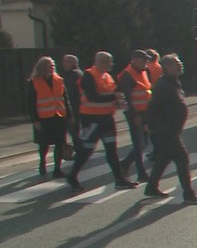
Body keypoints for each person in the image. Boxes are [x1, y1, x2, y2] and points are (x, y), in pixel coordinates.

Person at [67, 51, 138, 192]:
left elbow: (112, 94)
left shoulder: (107, 76)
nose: (111, 64)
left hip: (106, 118)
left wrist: (118, 100)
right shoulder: (89, 75)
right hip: (91, 119)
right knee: (86, 150)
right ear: (101, 62)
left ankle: (120, 179)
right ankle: (72, 175)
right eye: (109, 62)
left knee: (111, 149)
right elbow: (93, 96)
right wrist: (114, 97)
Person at [143, 54, 197, 204]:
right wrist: (150, 125)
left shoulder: (173, 83)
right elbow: (153, 106)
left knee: (164, 157)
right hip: (167, 130)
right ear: (167, 67)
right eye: (176, 63)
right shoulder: (162, 85)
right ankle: (188, 194)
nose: (180, 64)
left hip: (172, 129)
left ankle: (151, 187)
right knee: (182, 158)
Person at [27, 56, 72, 178]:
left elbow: (65, 99)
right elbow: (31, 103)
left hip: (59, 116)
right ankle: (42, 163)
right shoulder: (34, 82)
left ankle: (57, 169)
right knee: (43, 144)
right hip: (43, 118)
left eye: (53, 65)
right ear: (42, 67)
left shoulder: (59, 80)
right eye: (49, 66)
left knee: (60, 143)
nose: (52, 68)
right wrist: (35, 120)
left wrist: (70, 116)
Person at [117, 49, 152, 182]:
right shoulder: (127, 74)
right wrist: (134, 115)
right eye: (144, 60)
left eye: (147, 60)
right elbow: (126, 97)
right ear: (135, 60)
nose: (146, 62)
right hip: (135, 114)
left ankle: (125, 164)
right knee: (139, 143)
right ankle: (141, 173)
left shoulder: (143, 72)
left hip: (145, 113)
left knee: (143, 143)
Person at [61, 54, 83, 149]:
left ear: (73, 63)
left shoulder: (73, 75)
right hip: (80, 107)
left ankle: (79, 151)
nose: (64, 64)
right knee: (77, 131)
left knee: (74, 132)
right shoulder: (80, 73)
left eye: (66, 62)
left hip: (74, 108)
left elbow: (69, 93)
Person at [145, 49, 163, 161]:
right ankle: (158, 151)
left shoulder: (148, 68)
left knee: (152, 129)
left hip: (151, 98)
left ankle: (157, 152)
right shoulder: (159, 67)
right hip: (159, 97)